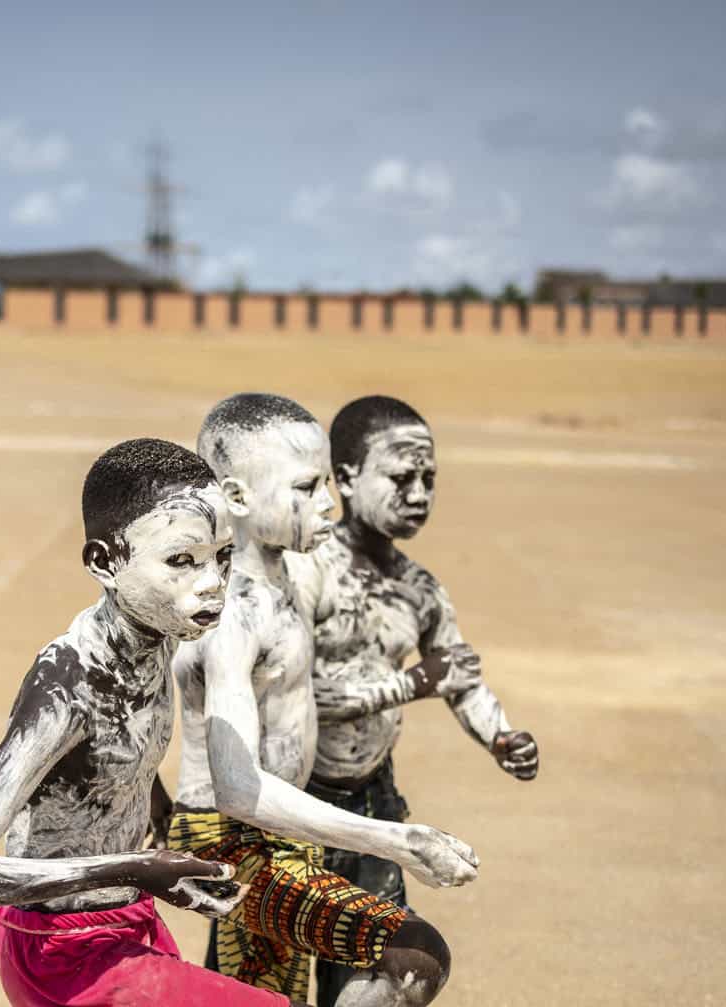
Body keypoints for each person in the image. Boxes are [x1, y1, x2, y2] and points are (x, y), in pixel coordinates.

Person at [0, 438, 308, 1007]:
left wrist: (160, 816)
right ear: (105, 562)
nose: (213, 581)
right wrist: (139, 866)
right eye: (181, 560)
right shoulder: (66, 687)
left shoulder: (158, 631)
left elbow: (121, 753)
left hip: (128, 920)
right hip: (60, 953)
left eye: (222, 555)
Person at [167, 394, 478, 1007]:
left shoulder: (289, 576)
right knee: (412, 953)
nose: (329, 504)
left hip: (281, 834)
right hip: (237, 842)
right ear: (237, 498)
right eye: (307, 488)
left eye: (329, 483)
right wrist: (395, 841)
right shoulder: (233, 614)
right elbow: (237, 786)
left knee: (273, 996)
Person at [304, 395, 539, 1007]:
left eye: (429, 478)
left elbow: (459, 675)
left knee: (387, 970)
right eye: (401, 476)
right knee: (257, 977)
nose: (419, 493)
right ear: (348, 479)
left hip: (373, 806)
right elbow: (294, 700)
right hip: (287, 809)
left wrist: (501, 736)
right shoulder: (305, 572)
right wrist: (408, 685)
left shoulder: (420, 590)